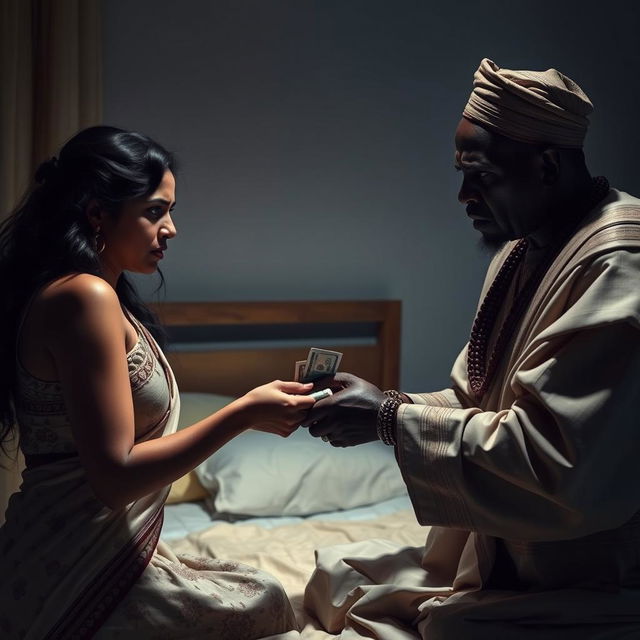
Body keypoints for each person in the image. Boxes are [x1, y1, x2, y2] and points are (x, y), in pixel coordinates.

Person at [303, 59, 640, 638]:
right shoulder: (523, 249)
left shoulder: (619, 268)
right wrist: (387, 401)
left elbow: (554, 461)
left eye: (479, 176)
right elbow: (477, 397)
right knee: (336, 575)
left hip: (591, 567)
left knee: (452, 630)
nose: (462, 195)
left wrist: (388, 419)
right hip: (508, 550)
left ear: (548, 166)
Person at [0, 126, 316, 639]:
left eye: (169, 211)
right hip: (69, 570)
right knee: (264, 604)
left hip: (87, 548)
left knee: (260, 591)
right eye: (154, 211)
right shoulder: (84, 298)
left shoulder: (102, 294)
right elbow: (115, 476)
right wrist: (243, 413)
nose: (171, 229)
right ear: (97, 213)